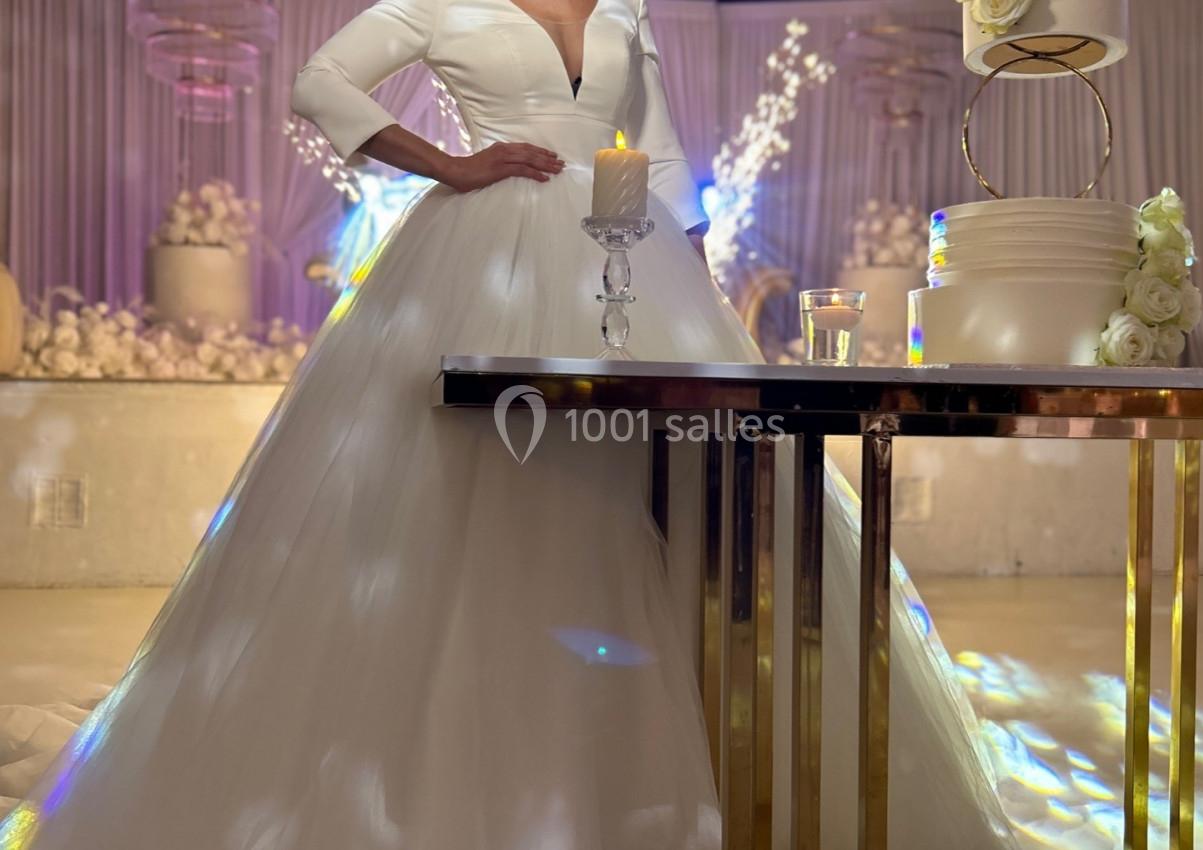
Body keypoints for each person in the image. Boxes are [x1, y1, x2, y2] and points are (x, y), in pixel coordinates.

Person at [0, 1, 1015, 847]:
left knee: (657, 501)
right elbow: (319, 83)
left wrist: (697, 308)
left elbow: (659, 159)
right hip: (486, 249)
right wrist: (449, 163)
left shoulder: (625, 8)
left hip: (632, 257)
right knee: (477, 494)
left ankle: (669, 765)